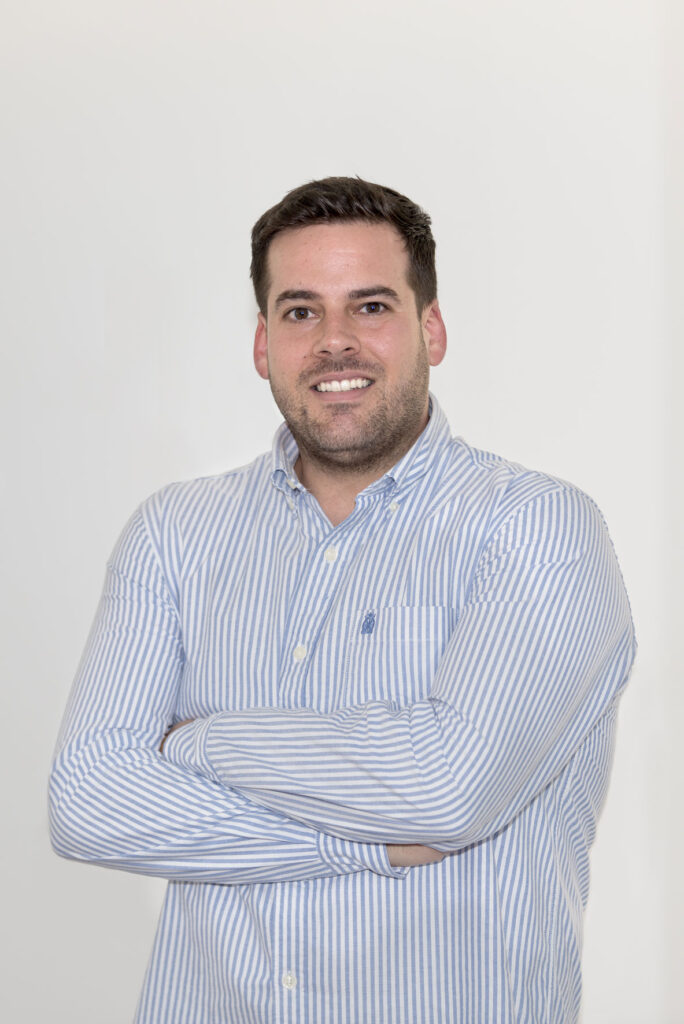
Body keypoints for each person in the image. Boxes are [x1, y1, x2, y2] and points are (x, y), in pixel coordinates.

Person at [49, 176, 636, 1023]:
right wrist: (363, 846)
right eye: (300, 312)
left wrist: (199, 744)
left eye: (369, 307)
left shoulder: (537, 526)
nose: (334, 342)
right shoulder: (175, 532)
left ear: (430, 329)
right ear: (262, 343)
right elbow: (89, 803)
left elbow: (449, 792)